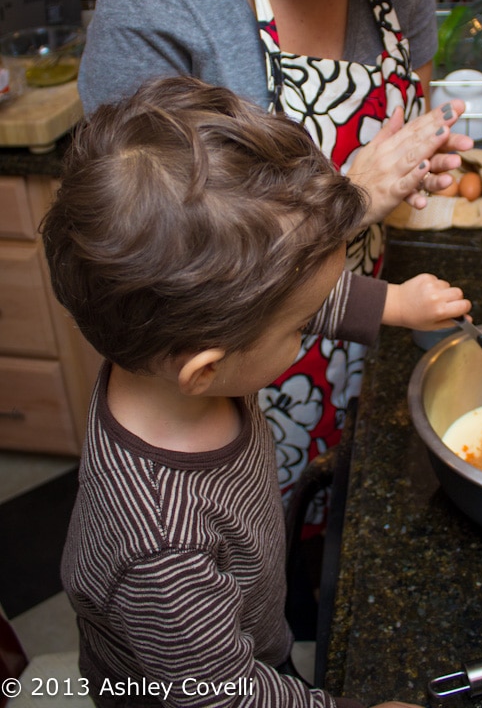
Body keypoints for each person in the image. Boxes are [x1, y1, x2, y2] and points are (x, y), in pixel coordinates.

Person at [77, 0, 472, 510]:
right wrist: (356, 192)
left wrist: (416, 161)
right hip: (219, 398)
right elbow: (147, 273)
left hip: (362, 337)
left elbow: (405, 107)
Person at [42, 76, 422, 708]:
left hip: (247, 633)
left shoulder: (161, 356)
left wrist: (393, 303)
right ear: (206, 370)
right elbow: (230, 696)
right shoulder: (162, 548)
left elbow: (287, 299)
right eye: (299, 329)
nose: (307, 329)